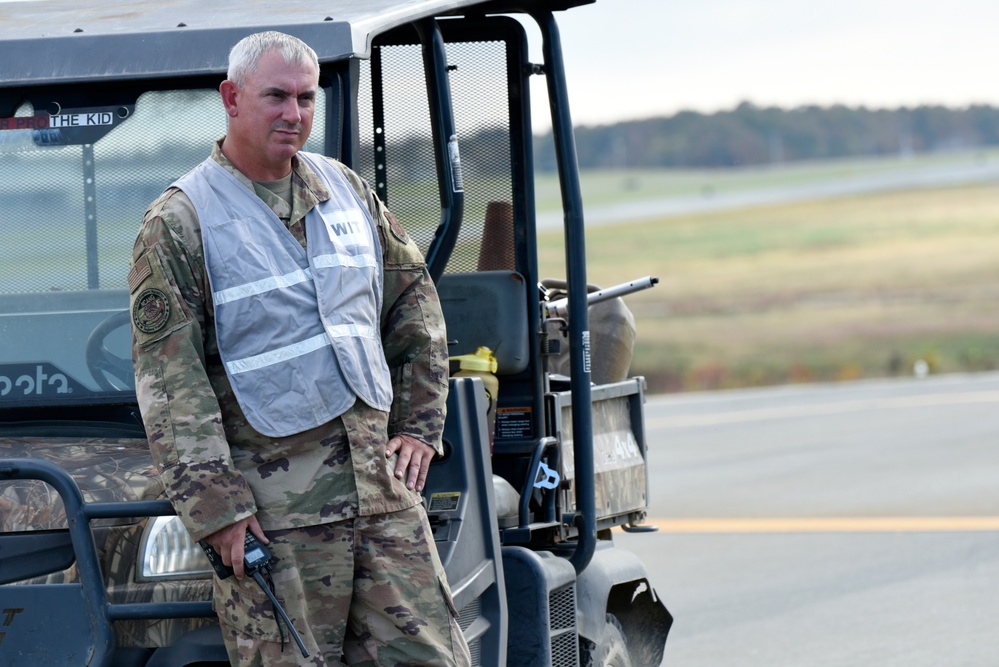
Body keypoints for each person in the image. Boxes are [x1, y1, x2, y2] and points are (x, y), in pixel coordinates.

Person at [129, 31, 471, 667]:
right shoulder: (180, 222)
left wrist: (420, 427)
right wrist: (219, 512)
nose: (295, 114)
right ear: (231, 98)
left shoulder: (346, 190)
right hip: (274, 521)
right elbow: (171, 384)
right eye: (277, 97)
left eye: (307, 98)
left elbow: (413, 304)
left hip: (383, 499)